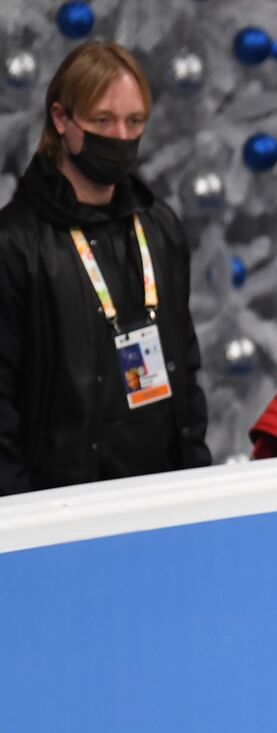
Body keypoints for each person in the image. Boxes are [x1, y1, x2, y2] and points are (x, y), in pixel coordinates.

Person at [0, 41, 209, 495]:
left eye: (134, 122)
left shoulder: (158, 226)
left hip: (165, 495)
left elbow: (185, 366)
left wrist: (197, 483)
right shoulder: (15, 244)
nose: (119, 136)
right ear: (61, 120)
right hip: (60, 509)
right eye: (102, 121)